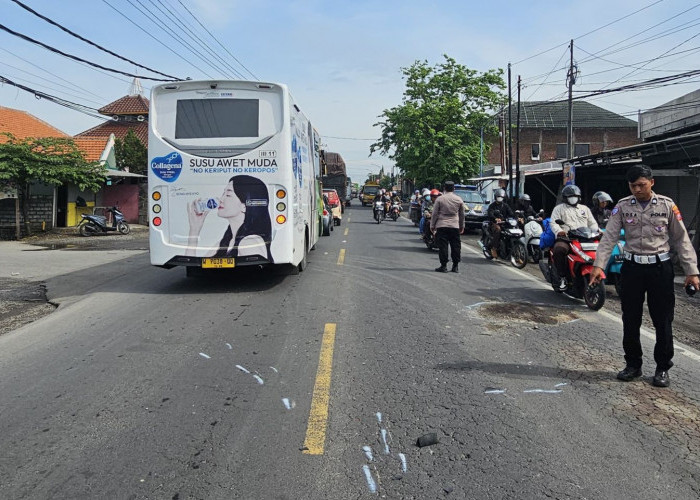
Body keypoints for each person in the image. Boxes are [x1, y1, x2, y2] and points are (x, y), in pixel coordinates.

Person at [590, 165, 699, 388]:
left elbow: (681, 240)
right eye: (633, 186)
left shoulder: (667, 206)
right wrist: (599, 266)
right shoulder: (621, 207)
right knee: (630, 318)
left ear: (651, 182)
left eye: (641, 184)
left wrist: (692, 271)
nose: (637, 189)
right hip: (631, 268)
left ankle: (662, 368)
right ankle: (633, 365)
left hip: (660, 269)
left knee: (663, 319)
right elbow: (609, 238)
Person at [186, 175, 273, 262]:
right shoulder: (226, 242)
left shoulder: (249, 242)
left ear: (244, 206)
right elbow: (194, 265)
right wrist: (194, 229)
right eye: (223, 193)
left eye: (228, 195)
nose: (221, 199)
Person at [549, 185, 598, 291]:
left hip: (584, 237)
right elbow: (553, 223)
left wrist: (596, 231)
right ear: (565, 198)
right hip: (566, 238)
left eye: (575, 196)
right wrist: (559, 231)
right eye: (570, 196)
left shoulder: (585, 209)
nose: (573, 198)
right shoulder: (559, 209)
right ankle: (562, 277)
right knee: (559, 250)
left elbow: (592, 223)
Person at [430, 181, 465, 273]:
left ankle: (443, 266)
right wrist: (462, 226)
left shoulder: (440, 199)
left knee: (443, 247)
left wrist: (432, 225)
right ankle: (455, 266)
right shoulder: (459, 199)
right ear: (454, 188)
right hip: (455, 226)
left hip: (442, 226)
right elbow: (462, 215)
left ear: (444, 188)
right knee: (456, 246)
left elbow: (434, 214)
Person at [486, 188, 514, 259]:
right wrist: (495, 218)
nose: (500, 198)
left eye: (501, 197)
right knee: (498, 230)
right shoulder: (492, 205)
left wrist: (517, 217)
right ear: (495, 197)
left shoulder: (505, 206)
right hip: (494, 223)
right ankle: (494, 248)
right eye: (498, 197)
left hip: (504, 223)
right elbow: (490, 213)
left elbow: (511, 213)